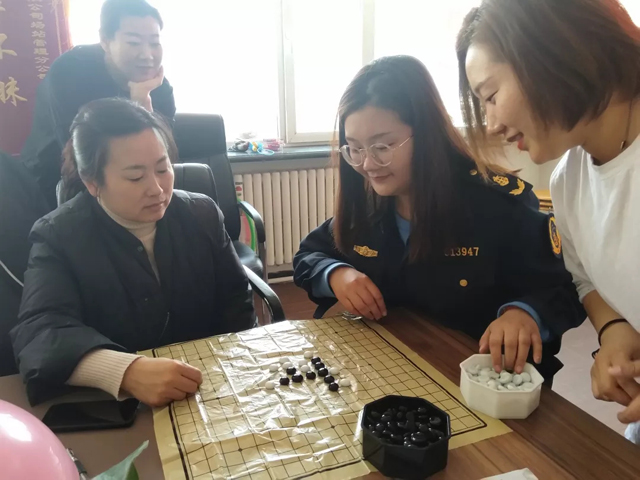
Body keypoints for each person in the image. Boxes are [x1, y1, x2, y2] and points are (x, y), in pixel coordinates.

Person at [293, 55, 585, 383]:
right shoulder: (369, 204)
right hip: (389, 365)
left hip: (482, 377)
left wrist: (524, 314)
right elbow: (309, 255)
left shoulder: (497, 205)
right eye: (355, 148)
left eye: (383, 146)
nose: (368, 164)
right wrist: (337, 274)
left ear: (427, 136)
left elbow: (565, 287)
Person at [457, 0, 640, 437]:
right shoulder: (567, 180)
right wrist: (614, 329)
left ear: (554, 52)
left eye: (491, 97)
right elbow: (585, 278)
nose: (491, 124)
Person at [11, 99, 255, 406]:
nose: (157, 189)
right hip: (124, 404)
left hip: (209, 389)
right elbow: (39, 334)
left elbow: (236, 302)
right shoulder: (59, 235)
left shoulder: (201, 214)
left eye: (163, 168)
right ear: (92, 182)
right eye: (135, 177)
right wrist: (126, 371)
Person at [21, 0, 176, 210]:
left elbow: (163, 154)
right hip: (56, 181)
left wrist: (143, 98)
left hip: (127, 184)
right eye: (133, 42)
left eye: (154, 43)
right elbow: (83, 158)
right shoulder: (70, 72)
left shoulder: (159, 87)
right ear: (105, 40)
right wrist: (138, 105)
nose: (147, 55)